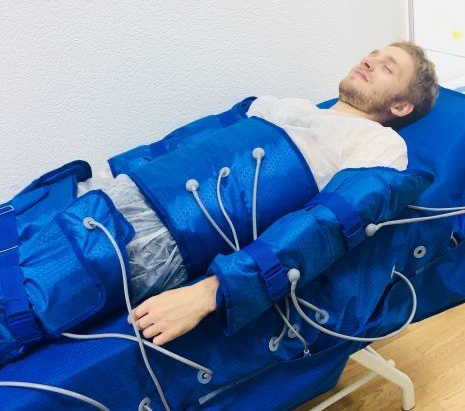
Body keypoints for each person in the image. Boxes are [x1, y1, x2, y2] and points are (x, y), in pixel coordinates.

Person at [108, 41, 437, 346]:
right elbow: (183, 144)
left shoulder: (379, 144)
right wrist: (106, 176)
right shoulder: (284, 106)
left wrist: (213, 290)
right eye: (372, 54)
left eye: (387, 67)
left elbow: (324, 224)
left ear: (401, 106)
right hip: (116, 194)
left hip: (161, 241)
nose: (369, 60)